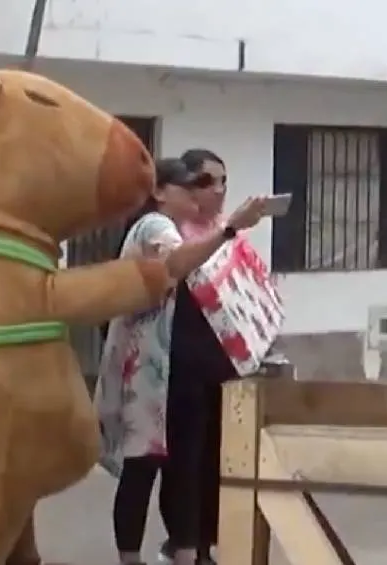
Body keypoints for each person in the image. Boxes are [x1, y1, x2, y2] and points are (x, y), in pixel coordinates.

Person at [96, 157, 272, 565]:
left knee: (174, 463)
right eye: (190, 185)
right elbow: (177, 263)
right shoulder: (155, 226)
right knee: (144, 465)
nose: (198, 193)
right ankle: (132, 557)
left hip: (165, 368)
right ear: (160, 192)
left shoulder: (173, 228)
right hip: (144, 370)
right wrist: (230, 228)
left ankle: (185, 551)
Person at [157, 148, 233, 565]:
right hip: (181, 364)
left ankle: (207, 539)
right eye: (206, 182)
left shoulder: (225, 230)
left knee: (218, 455)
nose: (217, 192)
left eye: (223, 182)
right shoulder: (169, 233)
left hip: (224, 362)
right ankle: (184, 542)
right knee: (185, 457)